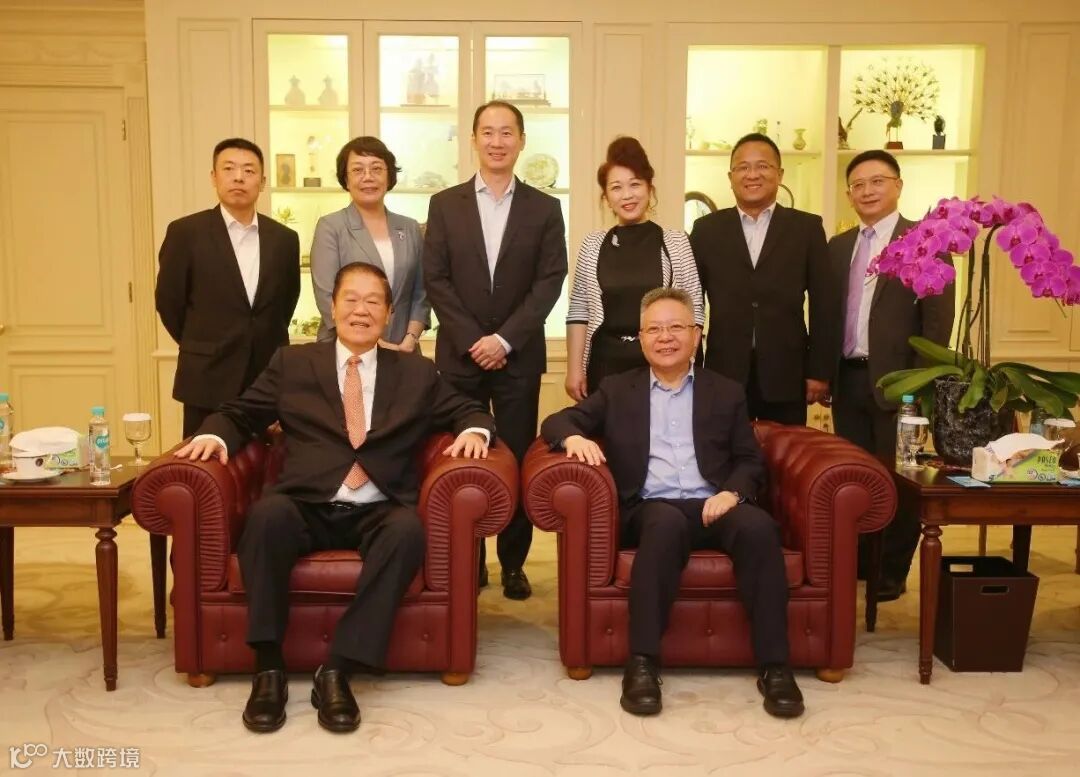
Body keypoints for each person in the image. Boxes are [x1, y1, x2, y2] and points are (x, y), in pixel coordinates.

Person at [174, 262, 495, 734]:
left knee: (408, 532)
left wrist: (473, 431)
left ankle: (339, 668)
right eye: (351, 299)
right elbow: (241, 413)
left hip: (379, 506)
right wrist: (214, 438)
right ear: (332, 306)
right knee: (266, 518)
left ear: (388, 314)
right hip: (305, 503)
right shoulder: (292, 363)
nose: (361, 311)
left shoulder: (416, 371)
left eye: (373, 302)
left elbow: (468, 409)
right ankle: (268, 668)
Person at [540, 287, 804, 720]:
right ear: (642, 338)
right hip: (650, 506)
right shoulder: (617, 389)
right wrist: (572, 438)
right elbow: (557, 420)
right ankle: (642, 663)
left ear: (696, 335)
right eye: (654, 329)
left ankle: (775, 667)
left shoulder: (726, 391)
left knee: (757, 528)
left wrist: (731, 493)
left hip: (715, 502)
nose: (665, 337)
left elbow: (749, 459)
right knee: (664, 524)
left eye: (676, 327)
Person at [423, 100, 568, 600]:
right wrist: (473, 340)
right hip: (459, 358)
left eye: (507, 132)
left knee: (515, 456)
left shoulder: (544, 208)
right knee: (462, 459)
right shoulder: (445, 204)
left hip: (517, 357)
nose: (497, 141)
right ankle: (469, 559)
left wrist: (505, 339)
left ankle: (512, 564)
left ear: (522, 141)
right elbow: (436, 279)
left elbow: (550, 280)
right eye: (488, 132)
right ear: (473, 139)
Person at [829, 149, 954, 601]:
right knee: (856, 477)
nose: (867, 191)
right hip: (848, 380)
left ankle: (891, 571)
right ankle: (863, 562)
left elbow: (937, 325)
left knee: (900, 481)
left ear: (898, 185)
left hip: (901, 385)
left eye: (877, 181)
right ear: (849, 194)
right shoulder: (837, 247)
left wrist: (919, 386)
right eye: (858, 185)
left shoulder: (926, 242)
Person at [690, 132, 839, 426]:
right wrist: (693, 366)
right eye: (743, 167)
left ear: (779, 174)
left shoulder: (807, 228)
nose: (752, 174)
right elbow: (691, 303)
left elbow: (825, 304)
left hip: (788, 373)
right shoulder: (706, 230)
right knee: (724, 449)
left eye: (763, 166)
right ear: (730, 177)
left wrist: (819, 371)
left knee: (788, 452)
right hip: (723, 372)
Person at [156, 138, 301, 437]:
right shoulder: (186, 233)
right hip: (207, 376)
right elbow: (169, 302)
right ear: (214, 177)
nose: (238, 177)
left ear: (262, 182)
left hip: (266, 376)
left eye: (249, 170)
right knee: (204, 460)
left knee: (267, 461)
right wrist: (203, 342)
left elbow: (287, 302)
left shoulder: (285, 239)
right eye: (229, 168)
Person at [565, 137, 703, 400]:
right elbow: (579, 310)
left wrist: (686, 360)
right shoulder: (593, 244)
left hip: (663, 361)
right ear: (606, 197)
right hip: (605, 364)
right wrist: (574, 369)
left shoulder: (676, 241)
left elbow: (694, 304)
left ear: (650, 188)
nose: (627, 195)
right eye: (616, 187)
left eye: (635, 184)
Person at [310, 136, 428, 350]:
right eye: (357, 170)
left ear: (389, 176)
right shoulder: (331, 227)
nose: (368, 177)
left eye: (376, 169)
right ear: (346, 180)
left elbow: (422, 292)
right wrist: (375, 343)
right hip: (347, 348)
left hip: (403, 349)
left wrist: (411, 337)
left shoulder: (410, 227)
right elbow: (327, 296)